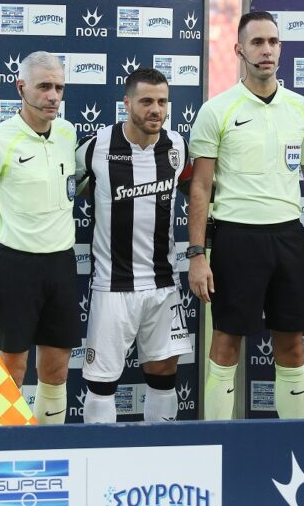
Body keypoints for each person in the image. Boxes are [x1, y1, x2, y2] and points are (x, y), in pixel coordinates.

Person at [187, 11, 304, 420]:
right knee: (225, 343)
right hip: (236, 239)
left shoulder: (303, 108)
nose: (266, 50)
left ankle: (293, 441)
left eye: (272, 42)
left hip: (288, 238)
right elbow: (200, 187)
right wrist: (197, 254)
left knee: (291, 345)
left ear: (281, 48)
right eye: (257, 42)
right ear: (239, 49)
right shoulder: (217, 110)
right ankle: (218, 441)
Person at [0, 51, 78, 425]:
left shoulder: (67, 133)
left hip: (61, 264)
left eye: (59, 88)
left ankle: (48, 448)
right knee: (11, 369)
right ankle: (4, 452)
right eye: (44, 87)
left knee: (56, 369)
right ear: (21, 87)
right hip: (16, 265)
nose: (53, 96)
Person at [74, 68, 194, 423]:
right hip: (113, 286)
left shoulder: (177, 146)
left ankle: (161, 452)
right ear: (126, 104)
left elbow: (197, 191)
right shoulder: (96, 147)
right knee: (101, 385)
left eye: (162, 102)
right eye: (146, 101)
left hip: (163, 285)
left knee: (164, 376)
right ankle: (100, 455)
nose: (155, 109)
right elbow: (65, 188)